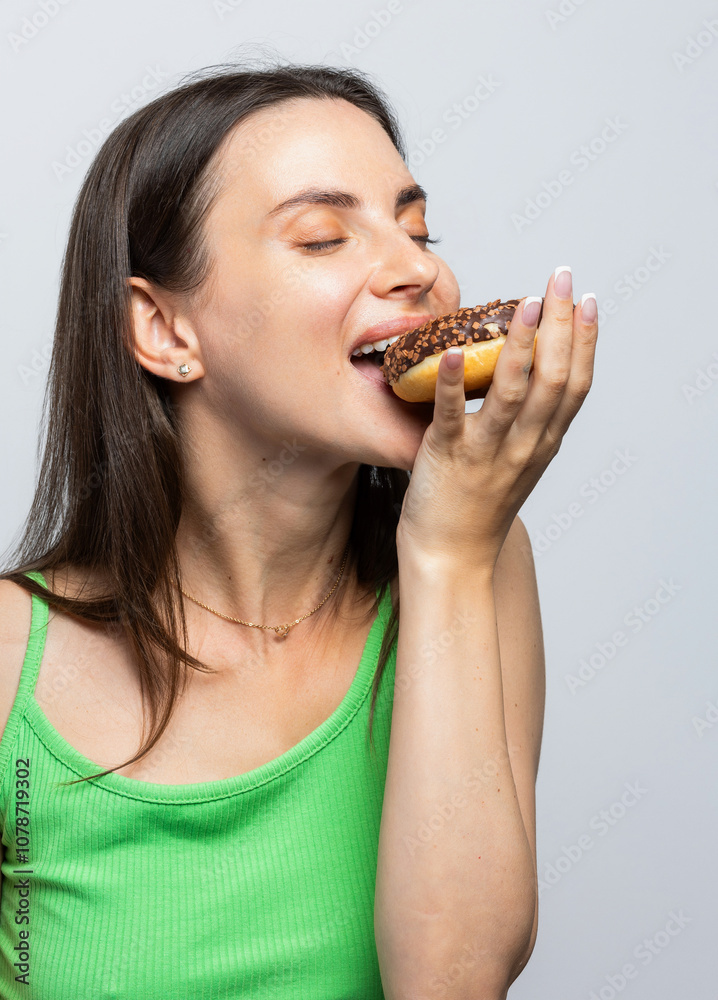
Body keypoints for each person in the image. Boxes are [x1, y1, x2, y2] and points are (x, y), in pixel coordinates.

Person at [0, 59, 598, 998]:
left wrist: (446, 555)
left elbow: (452, 983)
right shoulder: (9, 656)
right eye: (323, 237)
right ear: (165, 331)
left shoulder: (477, 566)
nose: (421, 270)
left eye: (417, 227)